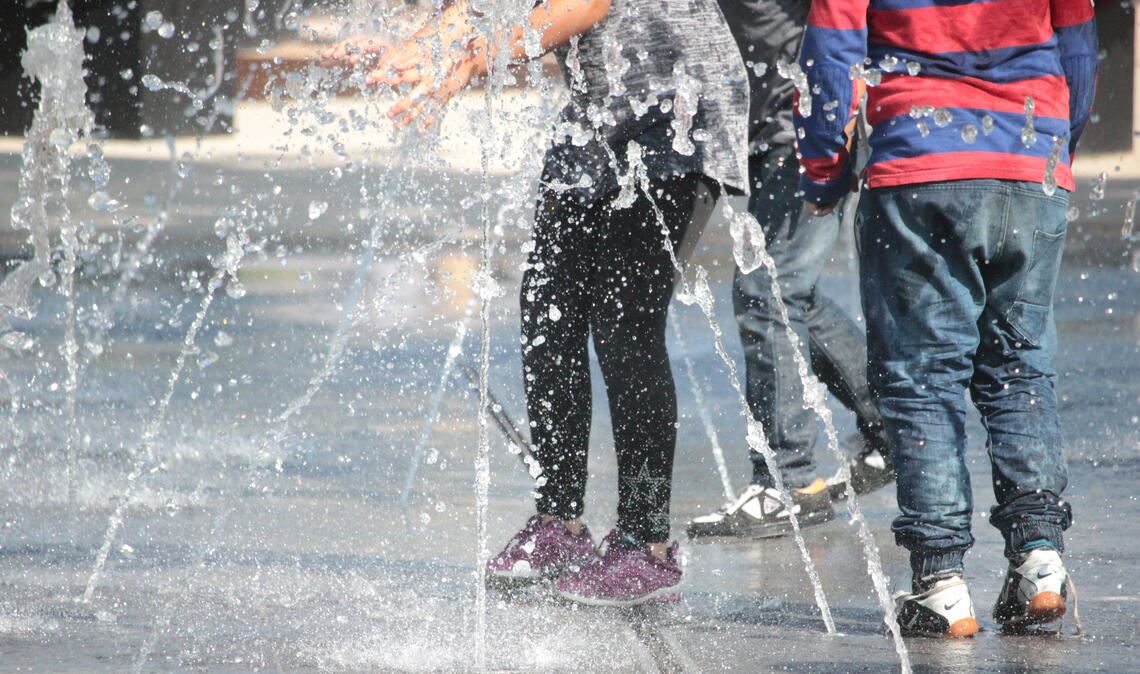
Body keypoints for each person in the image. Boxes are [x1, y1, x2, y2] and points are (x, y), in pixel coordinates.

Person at [331, 0, 750, 605]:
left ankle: (645, 542)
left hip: (676, 108)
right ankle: (559, 523)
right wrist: (427, 43)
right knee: (546, 310)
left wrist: (473, 58)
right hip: (599, 111)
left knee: (624, 322)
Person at [795, 0, 1098, 637]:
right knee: (1019, 370)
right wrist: (1053, 148)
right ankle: (1040, 560)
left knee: (920, 379)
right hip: (1030, 158)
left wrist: (823, 172)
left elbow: (831, 49)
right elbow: (1077, 46)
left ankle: (940, 581)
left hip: (920, 161)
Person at [687, 0, 894, 541]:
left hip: (807, 133)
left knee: (767, 290)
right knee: (790, 296)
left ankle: (788, 481)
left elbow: (843, 24)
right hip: (760, 131)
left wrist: (829, 133)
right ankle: (892, 426)